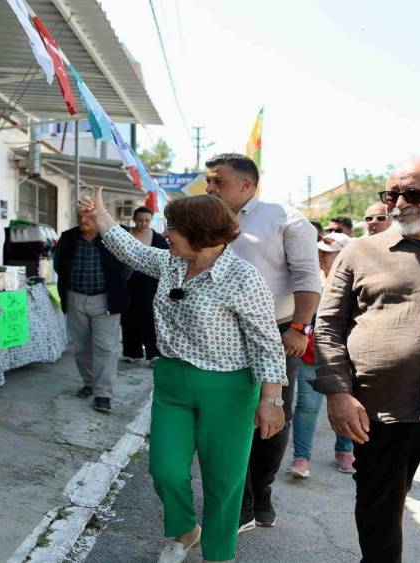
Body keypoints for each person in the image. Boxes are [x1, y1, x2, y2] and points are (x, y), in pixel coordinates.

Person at [79, 189, 286, 563]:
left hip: (229, 388)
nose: (165, 232)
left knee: (224, 482)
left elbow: (266, 342)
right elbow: (134, 251)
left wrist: (271, 400)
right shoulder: (172, 262)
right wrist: (102, 216)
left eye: (173, 226)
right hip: (173, 382)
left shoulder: (242, 277)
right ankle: (186, 530)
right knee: (165, 470)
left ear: (201, 233)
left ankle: (219, 554)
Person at [312, 156, 420, 562]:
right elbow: (329, 328)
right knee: (378, 527)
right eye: (391, 194)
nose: (398, 203)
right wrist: (338, 393)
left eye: (413, 194)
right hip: (380, 413)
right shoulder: (359, 252)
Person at [204, 153, 322, 531]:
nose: (209, 188)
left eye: (217, 181)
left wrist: (300, 329)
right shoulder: (209, 219)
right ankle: (239, 494)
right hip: (219, 334)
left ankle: (261, 493)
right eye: (208, 181)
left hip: (277, 332)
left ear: (246, 185)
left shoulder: (286, 219)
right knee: (226, 415)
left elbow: (308, 277)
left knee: (271, 416)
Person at [286, 230, 355, 479]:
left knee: (345, 404)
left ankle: (345, 451)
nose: (321, 256)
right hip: (311, 356)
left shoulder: (357, 280)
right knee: (306, 406)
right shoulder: (310, 279)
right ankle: (301, 458)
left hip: (344, 357)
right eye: (320, 252)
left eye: (327, 252)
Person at [54, 207, 132, 413]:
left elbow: (128, 266)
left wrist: (115, 286)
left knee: (106, 347)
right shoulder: (69, 237)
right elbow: (58, 265)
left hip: (106, 299)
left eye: (87, 216)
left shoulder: (115, 234)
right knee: (81, 345)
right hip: (75, 297)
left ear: (98, 216)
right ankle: (89, 383)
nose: (81, 219)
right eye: (79, 215)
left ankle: (103, 394)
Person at [120, 207, 168, 365]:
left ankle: (153, 353)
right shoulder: (126, 235)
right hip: (128, 282)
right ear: (134, 219)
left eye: (147, 220)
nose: (143, 223)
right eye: (140, 220)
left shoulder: (158, 239)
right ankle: (132, 352)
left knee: (151, 316)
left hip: (151, 283)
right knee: (129, 316)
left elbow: (166, 259)